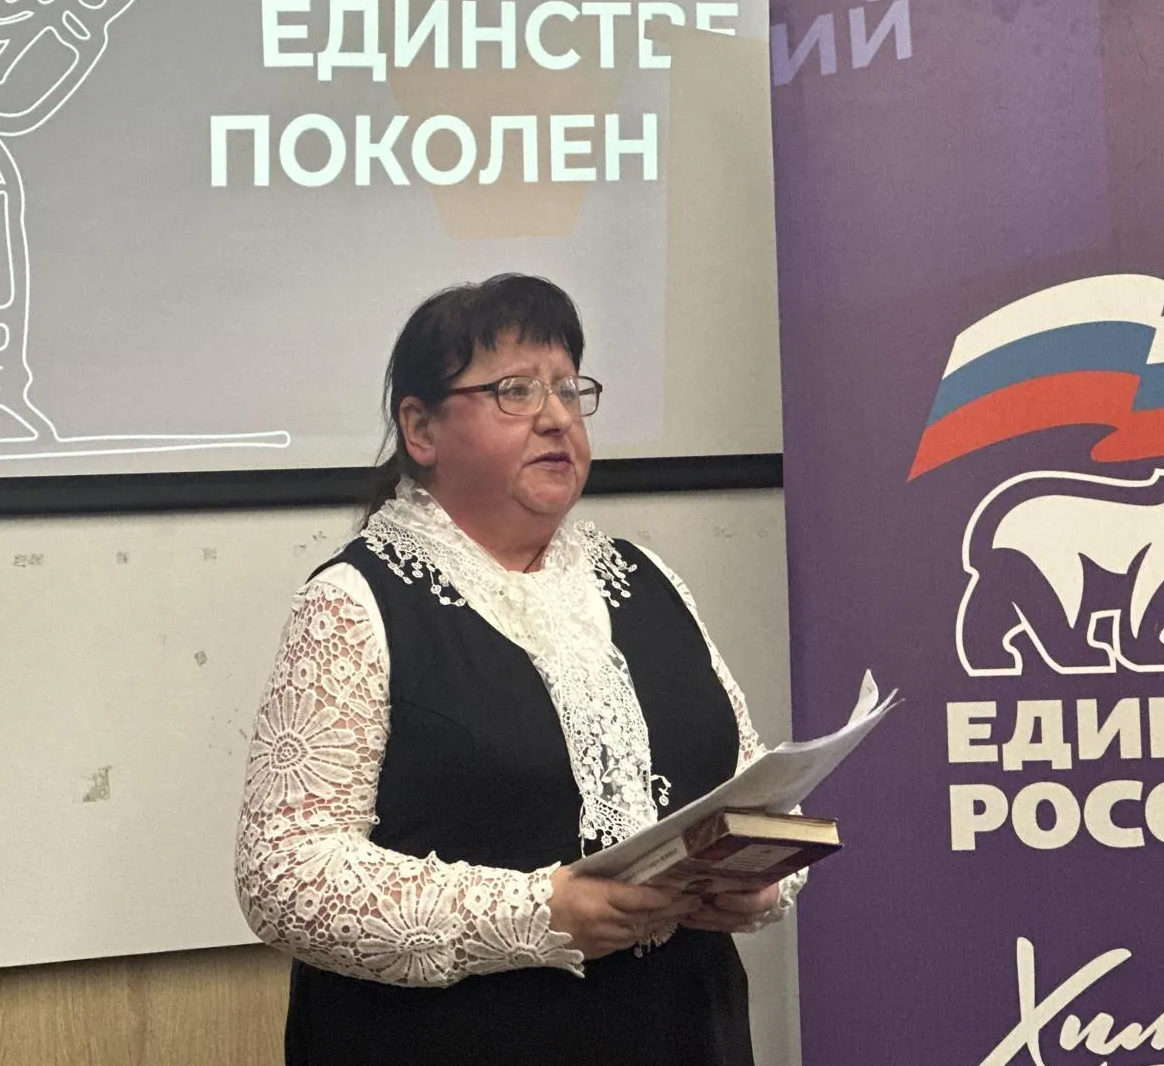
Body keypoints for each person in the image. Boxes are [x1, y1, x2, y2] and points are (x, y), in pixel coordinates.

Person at [233, 274, 806, 1066]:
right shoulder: (355, 602)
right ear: (421, 429)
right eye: (515, 391)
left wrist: (759, 882)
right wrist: (538, 913)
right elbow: (285, 876)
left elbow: (749, 783)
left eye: (569, 389)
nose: (556, 416)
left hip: (683, 1029)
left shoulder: (647, 580)